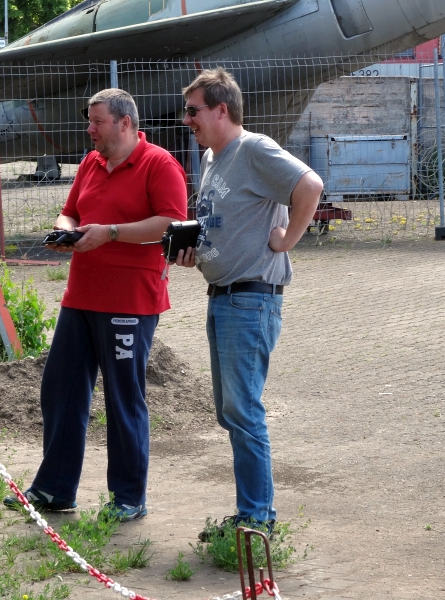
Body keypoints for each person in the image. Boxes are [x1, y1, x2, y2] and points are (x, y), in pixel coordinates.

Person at [4, 88, 187, 522]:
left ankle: (128, 498)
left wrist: (112, 232)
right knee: (61, 390)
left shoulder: (160, 165)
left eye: (97, 122)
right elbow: (69, 212)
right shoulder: (91, 162)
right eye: (90, 121)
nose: (89, 129)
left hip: (130, 301)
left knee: (123, 397)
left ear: (125, 123)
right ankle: (54, 489)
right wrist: (62, 229)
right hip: (81, 296)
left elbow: (171, 223)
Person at [175, 67, 324, 538]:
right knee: (230, 411)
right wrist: (195, 250)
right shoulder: (212, 158)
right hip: (223, 297)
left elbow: (310, 186)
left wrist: (286, 240)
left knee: (243, 410)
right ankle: (251, 512)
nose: (187, 119)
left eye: (194, 110)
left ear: (222, 109)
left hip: (250, 300)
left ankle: (257, 518)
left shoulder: (254, 149)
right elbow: (224, 222)